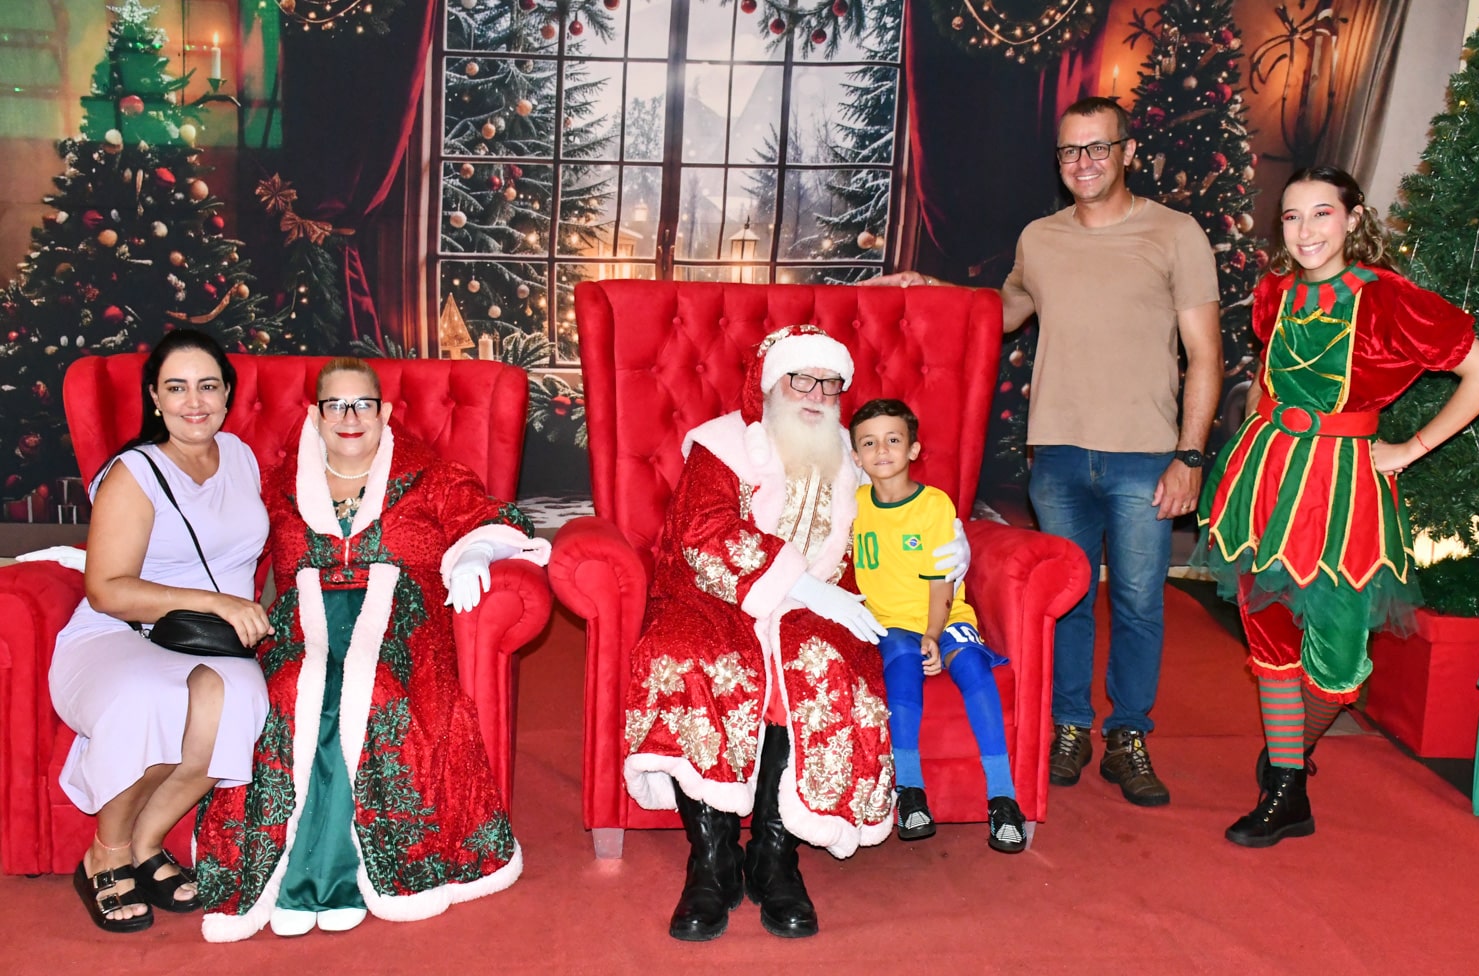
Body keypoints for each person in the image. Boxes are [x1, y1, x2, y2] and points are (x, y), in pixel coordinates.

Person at [874, 98, 1222, 807]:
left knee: (1137, 602)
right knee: (1067, 603)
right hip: (1057, 456)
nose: (1082, 163)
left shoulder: (1175, 233)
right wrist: (931, 290)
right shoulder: (1041, 238)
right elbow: (1001, 313)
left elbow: (1206, 355)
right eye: (1069, 151)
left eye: (1097, 148)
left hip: (1144, 456)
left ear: (1127, 153)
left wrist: (1189, 457)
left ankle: (1128, 736)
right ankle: (1069, 727)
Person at [623, 324, 967, 943]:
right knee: (688, 654)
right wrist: (796, 583)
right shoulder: (723, 445)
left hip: (822, 603)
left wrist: (950, 545)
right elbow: (701, 530)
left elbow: (903, 509)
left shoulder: (852, 456)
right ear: (771, 384)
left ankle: (773, 855)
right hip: (716, 595)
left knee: (821, 663)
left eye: (830, 384)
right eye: (801, 379)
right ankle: (712, 861)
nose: (816, 394)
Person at [1196, 165, 1479, 847]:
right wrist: (1249, 447)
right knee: (1270, 634)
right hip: (1265, 480)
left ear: (1354, 218)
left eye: (1322, 213)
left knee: (1335, 665)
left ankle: (1289, 752)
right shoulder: (1274, 292)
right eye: (1292, 216)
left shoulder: (1390, 300)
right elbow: (1265, 383)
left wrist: (1410, 448)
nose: (1305, 231)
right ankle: (1286, 788)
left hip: (1341, 494)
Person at [194, 357, 549, 941]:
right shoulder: (277, 486)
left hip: (400, 624)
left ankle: (332, 881)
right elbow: (219, 543)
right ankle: (282, 877)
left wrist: (476, 554)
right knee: (288, 694)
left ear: (384, 412)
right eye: (335, 405)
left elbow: (493, 519)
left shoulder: (431, 475)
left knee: (376, 692)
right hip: (303, 625)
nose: (349, 417)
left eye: (362, 404)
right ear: (315, 415)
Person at [49, 330, 272, 933]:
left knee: (241, 701)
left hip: (202, 639)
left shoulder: (240, 456)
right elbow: (107, 589)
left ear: (227, 394)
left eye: (207, 386)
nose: (193, 402)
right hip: (118, 632)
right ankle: (106, 853)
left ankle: (146, 843)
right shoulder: (135, 472)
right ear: (154, 397)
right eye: (176, 388)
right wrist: (216, 602)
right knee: (153, 698)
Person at [847, 398, 1026, 853]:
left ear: (913, 448)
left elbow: (941, 581)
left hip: (943, 614)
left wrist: (933, 633)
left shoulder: (932, 504)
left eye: (893, 440)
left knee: (971, 665)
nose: (881, 450)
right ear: (855, 457)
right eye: (869, 443)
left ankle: (1003, 797)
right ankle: (910, 792)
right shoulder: (853, 504)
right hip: (891, 623)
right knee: (901, 661)